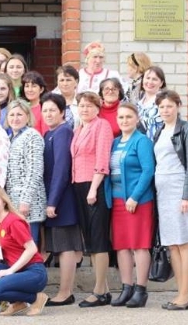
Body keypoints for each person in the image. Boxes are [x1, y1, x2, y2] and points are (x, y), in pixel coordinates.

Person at [153, 90, 188, 311]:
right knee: (172, 244)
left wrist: (187, 196)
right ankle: (180, 293)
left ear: (178, 106)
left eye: (169, 106)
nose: (165, 110)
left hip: (180, 190)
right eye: (161, 107)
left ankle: (186, 296)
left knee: (184, 242)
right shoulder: (159, 131)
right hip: (163, 193)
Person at [107, 103, 155, 308]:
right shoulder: (115, 142)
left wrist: (135, 197)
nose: (124, 121)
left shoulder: (141, 141)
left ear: (137, 119)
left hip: (137, 201)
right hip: (117, 201)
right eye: (121, 117)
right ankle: (126, 288)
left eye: (128, 117)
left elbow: (148, 170)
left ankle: (140, 290)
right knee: (122, 246)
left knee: (139, 245)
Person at [71, 91, 114, 307]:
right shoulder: (79, 128)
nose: (85, 109)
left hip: (94, 185)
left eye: (89, 105)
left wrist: (94, 188)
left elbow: (102, 159)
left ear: (98, 108)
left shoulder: (102, 126)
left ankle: (98, 291)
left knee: (98, 239)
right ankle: (103, 290)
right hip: (79, 185)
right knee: (90, 240)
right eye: (81, 105)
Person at [39, 93, 83, 307]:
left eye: (52, 110)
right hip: (53, 197)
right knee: (59, 246)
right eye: (45, 110)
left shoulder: (63, 132)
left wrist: (53, 201)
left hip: (62, 199)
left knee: (66, 247)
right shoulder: (49, 133)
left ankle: (66, 293)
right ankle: (64, 291)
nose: (48, 114)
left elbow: (61, 168)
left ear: (62, 112)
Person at [0, 185, 48, 316]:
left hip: (34, 272)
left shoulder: (13, 221)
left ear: (4, 202)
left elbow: (32, 248)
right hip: (18, 270)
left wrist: (10, 270)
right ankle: (17, 302)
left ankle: (35, 298)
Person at [4, 100, 46, 246]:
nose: (15, 118)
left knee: (29, 245)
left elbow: (35, 170)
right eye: (12, 115)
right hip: (13, 202)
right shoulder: (10, 138)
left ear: (27, 116)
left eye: (19, 114)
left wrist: (25, 201)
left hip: (28, 204)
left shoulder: (32, 135)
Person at [137, 66, 166, 140]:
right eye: (148, 78)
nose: (150, 82)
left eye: (154, 79)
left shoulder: (164, 102)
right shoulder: (138, 105)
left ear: (161, 83)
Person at [20, 71, 49, 136]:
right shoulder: (23, 108)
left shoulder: (44, 108)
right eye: (27, 86)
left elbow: (45, 134)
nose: (30, 90)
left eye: (34, 86)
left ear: (41, 89)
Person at [52, 65, 80, 129]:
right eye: (62, 80)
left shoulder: (82, 101)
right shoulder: (51, 100)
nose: (65, 84)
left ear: (76, 82)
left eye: (68, 80)